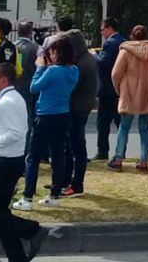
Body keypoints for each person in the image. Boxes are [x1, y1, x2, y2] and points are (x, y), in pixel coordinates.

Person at [0, 63, 55, 262]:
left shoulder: (8, 101)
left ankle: (33, 230)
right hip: (8, 160)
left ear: (3, 80)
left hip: (5, 163)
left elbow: (17, 133)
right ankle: (17, 257)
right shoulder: (13, 98)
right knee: (0, 212)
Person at [15, 35, 78, 211]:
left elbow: (34, 87)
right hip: (62, 114)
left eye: (52, 52)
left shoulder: (52, 71)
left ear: (59, 53)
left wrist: (40, 68)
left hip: (45, 115)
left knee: (33, 156)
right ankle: (54, 195)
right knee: (57, 155)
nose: (50, 55)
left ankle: (27, 197)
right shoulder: (74, 70)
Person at [109, 25, 148, 172]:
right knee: (144, 129)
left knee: (124, 127)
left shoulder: (126, 51)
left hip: (129, 92)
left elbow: (115, 74)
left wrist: (120, 89)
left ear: (132, 36)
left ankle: (118, 159)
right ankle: (144, 161)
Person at [61, 34, 97, 197]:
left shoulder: (81, 63)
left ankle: (76, 184)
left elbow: (72, 85)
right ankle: (66, 180)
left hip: (77, 107)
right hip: (81, 106)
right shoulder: (86, 59)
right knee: (71, 146)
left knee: (76, 146)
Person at [94, 18, 125, 161]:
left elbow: (103, 62)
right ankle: (121, 151)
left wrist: (95, 55)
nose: (101, 33)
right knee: (120, 123)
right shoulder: (123, 41)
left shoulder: (110, 43)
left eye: (102, 29)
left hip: (108, 88)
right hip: (120, 88)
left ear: (109, 28)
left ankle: (102, 152)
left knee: (103, 123)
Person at [15, 21, 40, 147]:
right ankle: (27, 147)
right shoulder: (36, 48)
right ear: (31, 33)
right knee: (30, 119)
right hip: (31, 88)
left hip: (14, 88)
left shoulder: (12, 47)